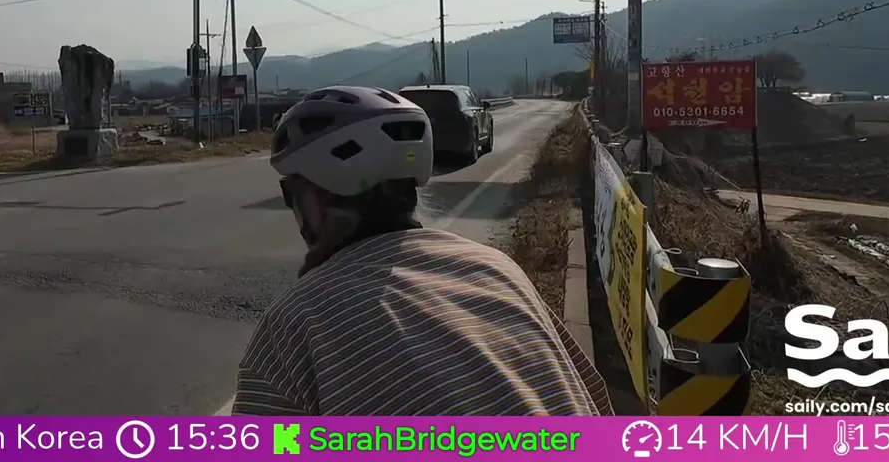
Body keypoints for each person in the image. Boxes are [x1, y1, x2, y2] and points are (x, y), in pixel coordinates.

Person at [232, 86, 612, 416]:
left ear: (318, 197)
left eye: (291, 193)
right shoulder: (499, 270)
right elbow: (595, 405)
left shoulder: (297, 324)